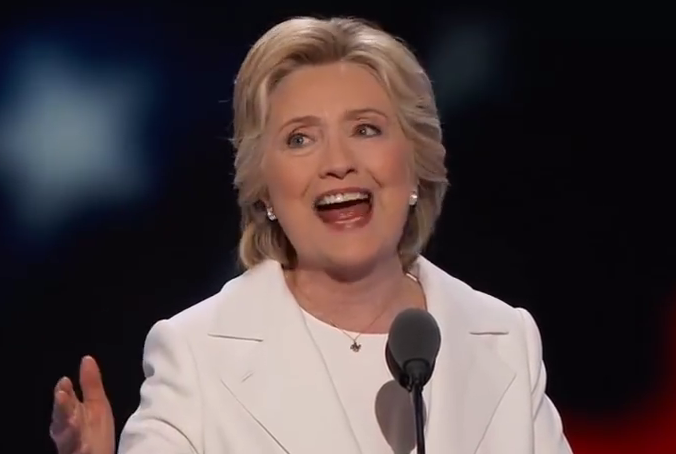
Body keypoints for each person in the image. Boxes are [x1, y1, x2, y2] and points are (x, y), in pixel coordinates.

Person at [49, 16, 573, 454]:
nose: (338, 162)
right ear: (265, 190)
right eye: (300, 139)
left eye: (365, 129)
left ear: (415, 163)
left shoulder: (504, 338)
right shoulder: (195, 355)